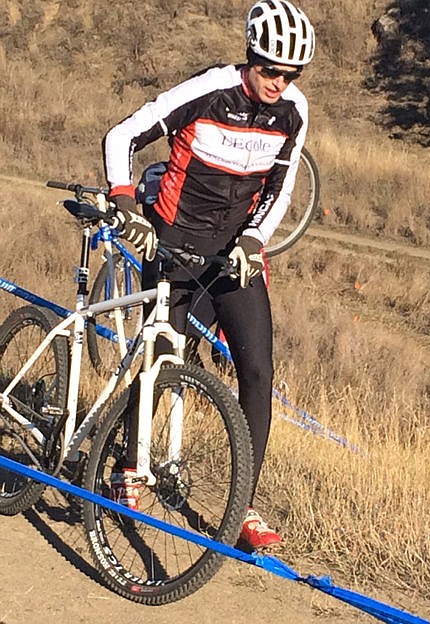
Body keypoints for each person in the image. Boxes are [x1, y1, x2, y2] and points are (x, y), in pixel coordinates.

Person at [105, 0, 315, 550]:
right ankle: (131, 463)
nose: (279, 83)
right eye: (270, 69)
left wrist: (254, 239)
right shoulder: (210, 90)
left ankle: (242, 505)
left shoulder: (293, 109)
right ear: (250, 58)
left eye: (291, 74)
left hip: (234, 253)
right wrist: (127, 205)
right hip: (172, 241)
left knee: (258, 371)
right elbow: (120, 138)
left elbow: (282, 187)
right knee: (163, 355)